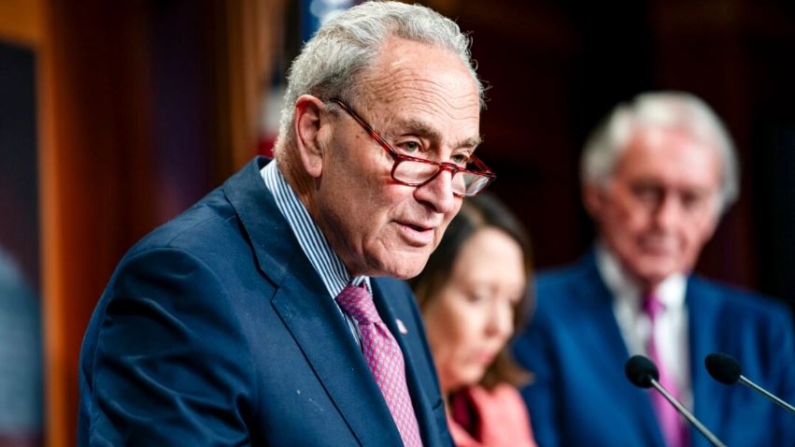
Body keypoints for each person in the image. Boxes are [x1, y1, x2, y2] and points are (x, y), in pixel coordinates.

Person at [77, 2, 496, 445]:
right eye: (411, 148)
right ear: (315, 132)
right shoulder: (181, 287)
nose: (443, 196)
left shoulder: (387, 289)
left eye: (459, 160)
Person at [513, 91, 795, 447]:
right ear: (595, 193)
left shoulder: (763, 330)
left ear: (714, 216)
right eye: (647, 192)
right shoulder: (531, 312)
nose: (666, 221)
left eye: (691, 199)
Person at [410, 193, 537, 447]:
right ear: (419, 289)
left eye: (512, 301)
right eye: (478, 296)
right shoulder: (394, 410)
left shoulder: (503, 405)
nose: (502, 327)